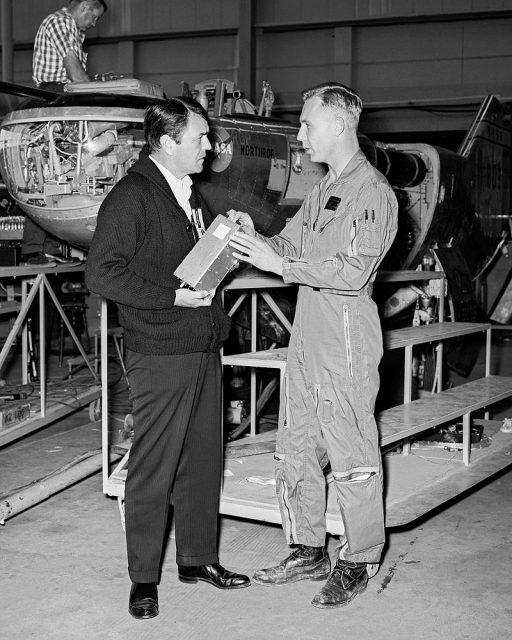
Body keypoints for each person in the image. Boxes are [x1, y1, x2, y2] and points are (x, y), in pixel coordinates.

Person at [228, 82, 398, 609]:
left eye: (306, 124)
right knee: (296, 444)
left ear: (342, 123)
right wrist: (253, 237)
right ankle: (308, 547)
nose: (299, 136)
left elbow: (352, 270)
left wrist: (281, 264)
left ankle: (360, 556)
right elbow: (290, 245)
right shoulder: (324, 189)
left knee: (351, 452)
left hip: (343, 333)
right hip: (307, 334)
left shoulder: (372, 192)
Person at [85, 97, 251, 620]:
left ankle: (198, 559)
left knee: (204, 462)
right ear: (166, 142)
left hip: (202, 347)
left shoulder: (189, 194)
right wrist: (170, 298)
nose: (210, 145)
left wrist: (226, 234)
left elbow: (187, 258)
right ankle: (143, 579)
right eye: (200, 138)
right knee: (153, 470)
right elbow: (102, 274)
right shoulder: (133, 196)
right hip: (160, 351)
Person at [23, 0, 107, 267]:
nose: (94, 24)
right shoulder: (61, 22)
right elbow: (73, 69)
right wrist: (96, 96)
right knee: (48, 174)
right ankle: (33, 248)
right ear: (84, 6)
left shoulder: (72, 29)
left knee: (64, 172)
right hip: (56, 96)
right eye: (94, 17)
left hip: (62, 97)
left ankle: (48, 246)